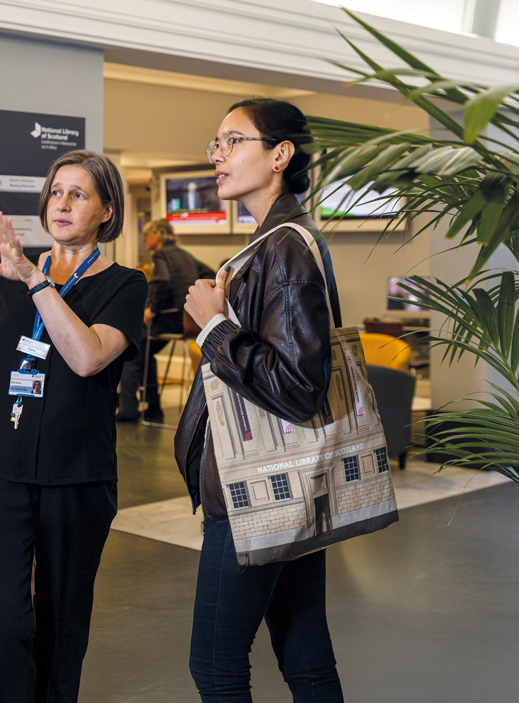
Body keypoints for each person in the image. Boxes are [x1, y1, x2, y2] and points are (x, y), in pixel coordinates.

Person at [0, 150, 147, 703]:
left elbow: (87, 357)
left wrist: (38, 282)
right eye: (55, 192)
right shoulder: (9, 281)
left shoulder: (123, 285)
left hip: (76, 480)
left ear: (107, 211)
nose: (61, 203)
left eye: (78, 194)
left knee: (60, 627)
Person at [174, 98, 345, 702]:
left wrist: (213, 326)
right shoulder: (270, 243)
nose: (218, 155)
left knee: (216, 665)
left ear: (280, 155)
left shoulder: (284, 249)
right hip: (290, 482)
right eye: (215, 143)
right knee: (305, 652)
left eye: (234, 141)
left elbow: (297, 388)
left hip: (257, 490)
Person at [116, 218, 214, 422]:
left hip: (167, 320)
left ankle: (128, 409)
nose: (145, 240)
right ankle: (153, 408)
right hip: (186, 323)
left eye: (147, 235)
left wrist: (151, 308)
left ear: (157, 236)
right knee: (145, 353)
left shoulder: (161, 254)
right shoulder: (184, 254)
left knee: (131, 351)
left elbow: (162, 281)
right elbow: (210, 274)